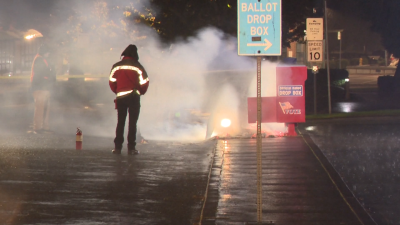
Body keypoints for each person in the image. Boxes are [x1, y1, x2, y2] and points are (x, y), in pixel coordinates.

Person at [109, 44, 149, 155]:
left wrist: (117, 91)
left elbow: (112, 81)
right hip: (134, 97)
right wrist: (141, 92)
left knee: (120, 122)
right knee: (132, 123)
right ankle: (131, 148)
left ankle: (117, 148)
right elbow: (145, 82)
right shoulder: (138, 66)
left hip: (121, 97)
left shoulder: (116, 66)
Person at [30, 44, 56, 134]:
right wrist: (50, 75)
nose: (49, 54)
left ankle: (44, 127)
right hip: (40, 87)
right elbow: (42, 74)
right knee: (41, 108)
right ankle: (38, 128)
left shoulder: (41, 59)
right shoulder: (39, 60)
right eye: (48, 52)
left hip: (42, 87)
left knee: (44, 108)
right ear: (45, 52)